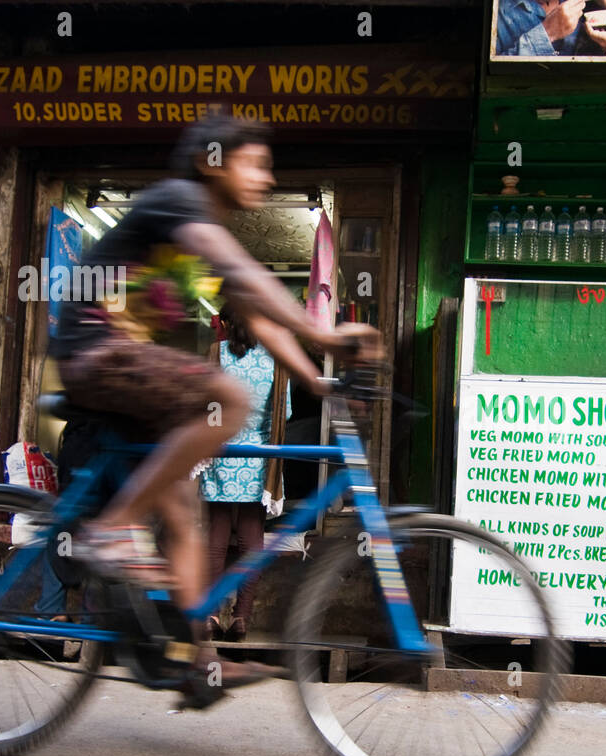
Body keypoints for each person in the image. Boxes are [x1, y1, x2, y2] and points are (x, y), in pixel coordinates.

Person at [49, 116, 380, 692]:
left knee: (183, 514)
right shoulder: (180, 202)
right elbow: (242, 273)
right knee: (227, 396)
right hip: (95, 352)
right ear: (211, 162)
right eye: (256, 163)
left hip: (120, 366)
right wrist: (325, 336)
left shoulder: (201, 229)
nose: (267, 178)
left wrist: (316, 376)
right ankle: (112, 529)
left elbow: (253, 312)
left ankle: (191, 659)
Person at [199, 302, 289, 643]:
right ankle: (241, 618)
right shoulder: (275, 359)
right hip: (259, 459)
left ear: (224, 323)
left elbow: (206, 406)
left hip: (221, 453)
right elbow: (286, 410)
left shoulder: (215, 354)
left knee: (216, 538)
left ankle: (209, 614)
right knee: (251, 540)